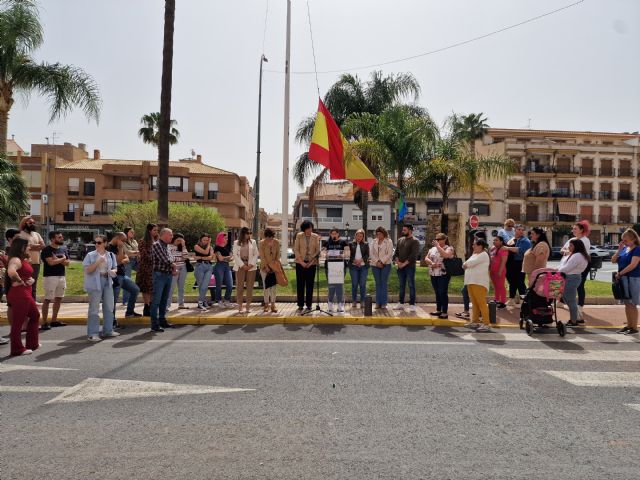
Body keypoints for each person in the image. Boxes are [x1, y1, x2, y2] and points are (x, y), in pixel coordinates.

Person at [5, 237, 40, 355]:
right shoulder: (15, 259)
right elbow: (11, 271)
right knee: (18, 323)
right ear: (21, 247)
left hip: (25, 293)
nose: (30, 247)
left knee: (35, 315)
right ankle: (17, 349)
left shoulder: (22, 259)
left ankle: (32, 343)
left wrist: (31, 280)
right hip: (19, 294)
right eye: (28, 245)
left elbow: (26, 274)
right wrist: (20, 280)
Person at [83, 234, 119, 341]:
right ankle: (92, 333)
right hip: (95, 282)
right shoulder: (90, 255)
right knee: (94, 308)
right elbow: (87, 270)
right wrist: (98, 262)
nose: (96, 244)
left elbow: (115, 268)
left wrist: (113, 271)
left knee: (109, 306)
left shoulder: (110, 255)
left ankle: (108, 330)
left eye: (99, 242)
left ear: (105, 243)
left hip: (107, 281)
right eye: (95, 242)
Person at [560, 220, 591, 321]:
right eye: (573, 228)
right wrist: (567, 251)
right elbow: (563, 250)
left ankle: (579, 307)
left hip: (576, 267)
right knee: (568, 290)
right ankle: (575, 313)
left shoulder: (585, 241)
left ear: (582, 230)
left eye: (575, 228)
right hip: (568, 265)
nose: (573, 230)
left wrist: (567, 252)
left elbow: (579, 253)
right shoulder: (572, 239)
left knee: (579, 286)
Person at [107, 232, 141, 322]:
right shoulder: (108, 248)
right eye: (123, 240)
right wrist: (121, 251)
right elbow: (117, 262)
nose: (124, 242)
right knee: (114, 299)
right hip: (115, 276)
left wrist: (122, 258)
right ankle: (112, 320)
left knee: (135, 289)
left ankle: (129, 312)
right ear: (117, 238)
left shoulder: (119, 247)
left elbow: (126, 259)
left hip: (122, 275)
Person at [612, 229, 640, 335]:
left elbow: (633, 265)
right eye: (622, 240)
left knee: (632, 303)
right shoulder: (624, 249)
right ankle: (629, 325)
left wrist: (620, 274)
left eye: (626, 240)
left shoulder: (637, 249)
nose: (623, 242)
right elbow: (613, 260)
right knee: (627, 303)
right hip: (624, 279)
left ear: (633, 239)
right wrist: (619, 250)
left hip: (633, 278)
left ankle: (634, 327)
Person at [40, 230, 70, 330]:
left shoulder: (63, 248)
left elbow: (67, 263)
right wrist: (62, 259)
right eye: (59, 237)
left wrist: (57, 259)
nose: (62, 238)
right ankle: (44, 322)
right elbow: (50, 263)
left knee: (59, 298)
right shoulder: (46, 250)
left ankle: (54, 320)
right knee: (48, 299)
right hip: (50, 277)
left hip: (61, 276)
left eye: (61, 237)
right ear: (53, 239)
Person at [558, 238, 590, 327]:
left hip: (570, 278)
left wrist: (557, 271)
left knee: (570, 300)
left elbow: (566, 268)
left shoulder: (577, 256)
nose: (569, 247)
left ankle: (574, 321)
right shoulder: (581, 255)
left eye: (571, 245)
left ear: (577, 246)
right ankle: (577, 318)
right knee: (569, 299)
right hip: (574, 277)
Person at [150, 228, 177, 332]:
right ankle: (154, 325)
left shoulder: (167, 246)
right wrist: (173, 266)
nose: (172, 236)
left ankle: (162, 321)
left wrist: (172, 267)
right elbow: (166, 259)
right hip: (159, 275)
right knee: (156, 300)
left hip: (167, 275)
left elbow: (171, 259)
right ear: (164, 234)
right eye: (170, 235)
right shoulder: (156, 245)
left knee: (164, 300)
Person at [463, 238, 492, 332]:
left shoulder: (483, 254)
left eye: (474, 244)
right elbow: (464, 264)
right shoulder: (475, 254)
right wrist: (466, 264)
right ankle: (474, 321)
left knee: (481, 303)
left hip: (479, 282)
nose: (472, 246)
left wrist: (466, 264)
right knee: (475, 303)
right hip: (471, 281)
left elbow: (469, 263)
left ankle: (486, 323)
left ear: (480, 246)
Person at [424, 233, 454, 319]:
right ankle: (438, 310)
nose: (437, 241)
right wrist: (432, 263)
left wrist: (438, 246)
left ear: (444, 239)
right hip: (433, 273)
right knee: (437, 292)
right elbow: (426, 258)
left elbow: (446, 255)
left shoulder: (449, 248)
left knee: (442, 292)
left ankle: (444, 311)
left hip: (443, 274)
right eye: (436, 239)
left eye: (439, 239)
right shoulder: (432, 249)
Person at [392, 224, 420, 312]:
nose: (402, 231)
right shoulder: (400, 240)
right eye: (403, 230)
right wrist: (398, 262)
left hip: (410, 267)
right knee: (401, 285)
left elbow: (413, 255)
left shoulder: (415, 241)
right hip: (400, 267)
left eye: (404, 230)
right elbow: (396, 253)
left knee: (411, 285)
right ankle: (400, 303)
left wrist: (404, 264)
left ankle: (412, 304)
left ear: (410, 231)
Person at [294, 220, 320, 312]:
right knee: (300, 284)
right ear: (304, 229)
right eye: (308, 228)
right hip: (300, 263)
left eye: (311, 228)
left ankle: (309, 304)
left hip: (311, 264)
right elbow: (296, 249)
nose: (310, 230)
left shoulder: (315, 236)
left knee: (310, 285)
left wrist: (311, 262)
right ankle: (300, 304)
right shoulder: (299, 235)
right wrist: (302, 262)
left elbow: (317, 251)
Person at [18, 216, 45, 301]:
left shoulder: (37, 234)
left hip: (36, 263)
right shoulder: (20, 235)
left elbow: (43, 246)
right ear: (24, 223)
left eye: (33, 223)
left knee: (34, 285)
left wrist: (30, 246)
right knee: (25, 284)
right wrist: (35, 246)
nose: (32, 224)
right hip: (25, 263)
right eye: (30, 223)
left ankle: (33, 303)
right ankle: (24, 302)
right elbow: (23, 247)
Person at [0, 228, 20, 345]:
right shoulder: (7, 252)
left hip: (10, 283)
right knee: (11, 305)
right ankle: (14, 330)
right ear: (9, 239)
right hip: (9, 282)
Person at [232, 227, 259, 313]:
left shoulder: (253, 242)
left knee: (250, 287)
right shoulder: (236, 243)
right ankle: (240, 305)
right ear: (243, 234)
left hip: (251, 267)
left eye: (250, 233)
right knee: (239, 287)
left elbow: (256, 254)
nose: (249, 235)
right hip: (240, 266)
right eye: (248, 233)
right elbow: (235, 255)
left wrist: (251, 264)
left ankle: (248, 305)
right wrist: (243, 265)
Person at [504, 224, 531, 307]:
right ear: (515, 230)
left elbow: (520, 250)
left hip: (520, 263)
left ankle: (525, 301)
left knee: (520, 282)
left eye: (522, 230)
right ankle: (511, 299)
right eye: (519, 229)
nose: (521, 231)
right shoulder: (511, 240)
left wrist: (507, 248)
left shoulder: (525, 241)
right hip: (510, 264)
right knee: (512, 282)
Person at [135, 223, 159, 317]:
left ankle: (152, 306)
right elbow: (144, 255)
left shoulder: (158, 240)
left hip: (155, 268)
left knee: (153, 288)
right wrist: (156, 258)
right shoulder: (143, 241)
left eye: (157, 230)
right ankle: (147, 306)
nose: (156, 232)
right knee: (146, 288)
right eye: (154, 230)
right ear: (149, 231)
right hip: (145, 268)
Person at [323, 227, 348, 313]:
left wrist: (343, 255)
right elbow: (323, 253)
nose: (334, 235)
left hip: (340, 267)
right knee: (331, 286)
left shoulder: (343, 242)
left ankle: (340, 305)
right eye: (332, 233)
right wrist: (326, 255)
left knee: (339, 286)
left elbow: (347, 253)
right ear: (330, 234)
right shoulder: (327, 243)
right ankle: (330, 304)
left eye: (335, 233)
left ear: (338, 234)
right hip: (329, 267)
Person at [369, 226, 393, 310]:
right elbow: (371, 253)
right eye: (377, 234)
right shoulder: (373, 241)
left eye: (380, 234)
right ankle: (378, 303)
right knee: (378, 283)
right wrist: (377, 262)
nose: (378, 235)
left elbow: (389, 253)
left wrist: (382, 261)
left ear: (384, 233)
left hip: (386, 264)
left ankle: (384, 303)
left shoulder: (389, 241)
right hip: (375, 265)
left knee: (384, 283)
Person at [258, 228, 281, 313]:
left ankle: (273, 304)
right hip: (264, 268)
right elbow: (262, 256)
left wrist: (274, 266)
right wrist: (266, 266)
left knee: (274, 287)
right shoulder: (261, 243)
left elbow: (278, 255)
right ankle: (266, 304)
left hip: (274, 268)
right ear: (265, 237)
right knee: (266, 287)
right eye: (268, 237)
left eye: (271, 237)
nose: (270, 239)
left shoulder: (276, 242)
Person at [168, 233, 189, 310]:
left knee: (181, 287)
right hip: (174, 268)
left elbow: (186, 257)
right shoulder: (169, 247)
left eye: (181, 241)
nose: (179, 242)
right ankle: (167, 305)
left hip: (183, 268)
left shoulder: (182, 247)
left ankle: (181, 304)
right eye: (178, 240)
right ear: (174, 239)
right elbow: (171, 258)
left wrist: (183, 245)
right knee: (171, 287)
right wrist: (180, 259)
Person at [194, 233, 215, 310]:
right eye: (204, 240)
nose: (205, 241)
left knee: (205, 285)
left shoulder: (211, 247)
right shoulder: (196, 246)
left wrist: (200, 257)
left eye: (207, 240)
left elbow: (211, 258)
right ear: (200, 240)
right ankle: (203, 302)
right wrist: (205, 257)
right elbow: (206, 253)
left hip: (209, 267)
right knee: (201, 286)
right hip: (200, 267)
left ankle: (201, 302)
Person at [349, 229, 369, 308]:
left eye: (361, 236)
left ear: (363, 237)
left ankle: (362, 301)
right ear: (355, 236)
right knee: (354, 284)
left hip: (363, 266)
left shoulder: (366, 244)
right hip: (353, 266)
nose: (359, 237)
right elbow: (348, 254)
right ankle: (354, 301)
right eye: (358, 236)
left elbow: (367, 255)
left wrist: (361, 260)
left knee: (362, 284)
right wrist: (354, 260)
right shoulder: (351, 244)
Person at [213, 232, 235, 308]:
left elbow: (232, 258)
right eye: (225, 238)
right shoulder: (217, 247)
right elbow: (220, 258)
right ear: (220, 238)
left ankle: (227, 300)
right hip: (219, 266)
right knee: (219, 285)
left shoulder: (228, 247)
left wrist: (226, 258)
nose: (227, 239)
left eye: (227, 238)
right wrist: (228, 257)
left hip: (227, 266)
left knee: (230, 284)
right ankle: (219, 301)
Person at [489, 235, 509, 309]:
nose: (494, 241)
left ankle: (503, 302)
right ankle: (497, 300)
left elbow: (504, 261)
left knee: (501, 286)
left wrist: (500, 272)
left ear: (501, 242)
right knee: (496, 286)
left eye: (496, 240)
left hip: (500, 270)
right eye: (494, 240)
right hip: (492, 270)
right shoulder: (492, 248)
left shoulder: (503, 249)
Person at [121, 227, 139, 306]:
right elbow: (127, 252)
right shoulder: (123, 242)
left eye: (133, 232)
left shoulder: (134, 241)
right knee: (127, 280)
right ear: (127, 232)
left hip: (136, 261)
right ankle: (125, 301)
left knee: (144, 273)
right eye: (131, 232)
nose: (133, 233)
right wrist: (136, 252)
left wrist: (135, 253)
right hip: (127, 261)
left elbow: (139, 250)